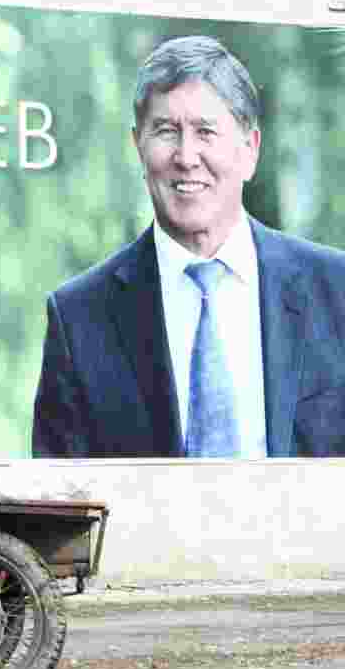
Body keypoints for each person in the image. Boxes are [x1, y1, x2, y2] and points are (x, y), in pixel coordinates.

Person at [33, 34, 345, 459]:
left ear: (250, 150)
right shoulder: (79, 318)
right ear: (137, 148)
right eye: (165, 131)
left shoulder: (336, 290)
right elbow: (62, 503)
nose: (186, 155)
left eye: (206, 131)